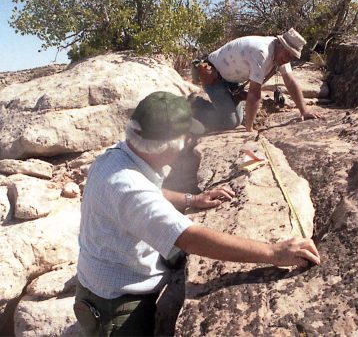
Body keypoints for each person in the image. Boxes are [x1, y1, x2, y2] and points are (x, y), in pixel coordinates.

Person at [74, 91, 321, 336]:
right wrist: (273, 253)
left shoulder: (118, 156)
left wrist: (192, 199)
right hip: (116, 305)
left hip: (106, 284)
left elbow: (149, 193)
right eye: (186, 137)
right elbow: (190, 238)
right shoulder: (128, 187)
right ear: (168, 147)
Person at [192, 28, 321, 132]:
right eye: (288, 53)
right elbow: (254, 93)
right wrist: (249, 129)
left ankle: (208, 107)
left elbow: (291, 82)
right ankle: (193, 106)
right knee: (229, 122)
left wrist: (304, 111)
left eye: (292, 57)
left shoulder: (280, 54)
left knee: (237, 119)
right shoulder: (261, 52)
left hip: (231, 81)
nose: (288, 59)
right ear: (281, 44)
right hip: (214, 76)